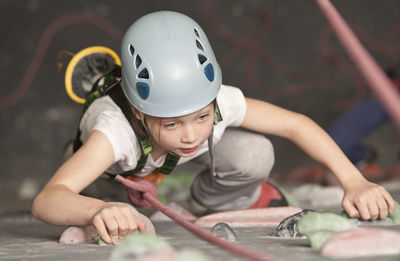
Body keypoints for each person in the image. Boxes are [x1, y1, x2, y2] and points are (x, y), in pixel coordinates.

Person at [32, 11, 395, 245]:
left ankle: (217, 201)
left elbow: (295, 124)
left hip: (160, 164)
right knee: (116, 224)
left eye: (202, 117)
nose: (191, 135)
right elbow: (49, 198)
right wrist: (94, 211)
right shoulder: (115, 132)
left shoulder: (213, 99)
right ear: (140, 113)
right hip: (111, 179)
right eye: (172, 122)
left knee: (254, 152)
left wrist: (354, 181)